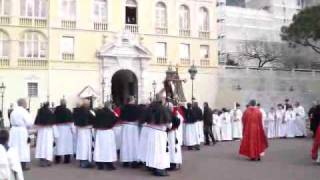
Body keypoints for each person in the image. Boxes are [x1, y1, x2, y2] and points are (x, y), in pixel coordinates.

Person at [145, 100, 171, 176]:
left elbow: (146, 121)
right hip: (160, 133)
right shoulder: (163, 110)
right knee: (160, 152)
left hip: (151, 132)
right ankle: (160, 169)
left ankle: (154, 167)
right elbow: (168, 124)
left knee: (152, 151)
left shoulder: (150, 110)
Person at [9, 98, 34, 171]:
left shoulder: (13, 111)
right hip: (22, 130)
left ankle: (14, 165)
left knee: (14, 147)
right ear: (23, 104)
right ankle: (22, 165)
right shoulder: (24, 111)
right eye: (25, 103)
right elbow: (30, 122)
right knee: (23, 148)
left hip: (13, 130)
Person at [93, 102, 117, 170]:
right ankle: (109, 164)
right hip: (108, 132)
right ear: (109, 106)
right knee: (108, 148)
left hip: (100, 132)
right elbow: (115, 119)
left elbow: (94, 121)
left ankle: (100, 164)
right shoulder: (111, 113)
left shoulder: (98, 112)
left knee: (99, 148)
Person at [34, 102, 58, 167]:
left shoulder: (40, 113)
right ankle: (48, 160)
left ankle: (42, 160)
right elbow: (53, 124)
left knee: (41, 146)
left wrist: (36, 131)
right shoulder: (50, 113)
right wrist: (56, 135)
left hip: (41, 131)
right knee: (48, 146)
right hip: (48, 132)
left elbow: (36, 124)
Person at [119, 96, 140, 168]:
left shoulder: (123, 107)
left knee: (125, 143)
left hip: (125, 127)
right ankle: (134, 161)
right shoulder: (136, 108)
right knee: (134, 143)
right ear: (132, 100)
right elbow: (139, 117)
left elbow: (120, 117)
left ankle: (125, 161)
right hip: (133, 127)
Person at [74, 99, 95, 168]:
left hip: (80, 131)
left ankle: (82, 162)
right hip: (85, 130)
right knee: (85, 146)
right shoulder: (86, 111)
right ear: (86, 104)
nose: (89, 105)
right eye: (88, 103)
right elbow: (92, 118)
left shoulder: (77, 110)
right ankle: (85, 162)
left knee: (81, 146)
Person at [54, 99, 74, 164]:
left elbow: (54, 120)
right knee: (67, 144)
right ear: (65, 103)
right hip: (66, 129)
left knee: (58, 144)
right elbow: (71, 121)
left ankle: (57, 159)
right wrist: (73, 130)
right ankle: (66, 159)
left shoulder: (56, 111)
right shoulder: (68, 111)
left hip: (58, 128)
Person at [168, 104, 182, 170]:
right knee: (172, 148)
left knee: (172, 148)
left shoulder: (171, 115)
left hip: (171, 133)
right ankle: (172, 163)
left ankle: (172, 163)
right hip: (172, 133)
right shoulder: (173, 115)